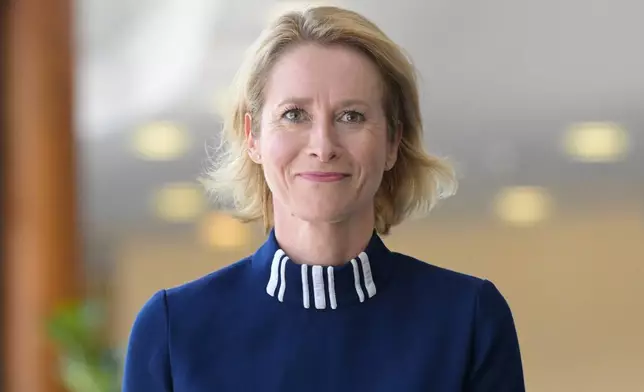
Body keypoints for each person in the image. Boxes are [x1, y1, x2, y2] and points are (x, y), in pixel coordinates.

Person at [123, 6, 525, 392]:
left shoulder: (467, 320)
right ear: (253, 137)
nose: (323, 145)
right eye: (294, 114)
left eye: (351, 116)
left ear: (392, 142)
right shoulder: (173, 331)